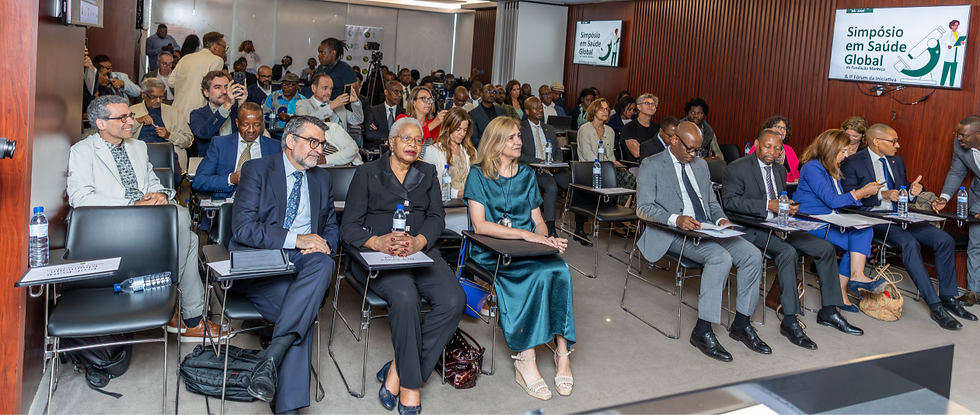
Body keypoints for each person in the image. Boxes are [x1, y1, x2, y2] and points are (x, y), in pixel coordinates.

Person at [68, 95, 230, 342]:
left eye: (130, 115)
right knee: (186, 234)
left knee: (180, 219)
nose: (130, 121)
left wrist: (160, 194)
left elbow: (153, 182)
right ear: (100, 123)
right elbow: (80, 198)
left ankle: (182, 313)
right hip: (110, 223)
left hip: (147, 219)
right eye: (122, 117)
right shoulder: (82, 151)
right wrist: (132, 203)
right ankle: (189, 316)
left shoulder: (137, 146)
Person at [340, 117, 466, 415]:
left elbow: (437, 217)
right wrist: (378, 242)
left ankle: (398, 368)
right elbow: (348, 228)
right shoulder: (367, 173)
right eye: (406, 139)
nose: (412, 145)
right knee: (406, 297)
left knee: (454, 300)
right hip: (377, 257)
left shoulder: (428, 172)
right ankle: (410, 385)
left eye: (418, 141)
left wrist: (421, 241)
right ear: (392, 142)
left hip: (420, 252)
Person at [230, 115, 338, 415]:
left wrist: (323, 245)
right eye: (313, 142)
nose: (319, 150)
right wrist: (298, 239)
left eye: (322, 144)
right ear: (291, 141)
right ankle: (288, 409)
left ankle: (270, 358)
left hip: (303, 264)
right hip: (260, 261)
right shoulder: (257, 170)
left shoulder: (322, 179)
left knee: (325, 263)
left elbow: (330, 225)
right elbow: (243, 229)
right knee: (298, 315)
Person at [464, 116, 575, 400]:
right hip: (491, 250)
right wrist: (527, 236)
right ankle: (526, 359)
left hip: (527, 247)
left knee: (560, 269)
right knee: (535, 276)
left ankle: (562, 353)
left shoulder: (526, 174)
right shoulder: (478, 174)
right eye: (511, 137)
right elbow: (479, 225)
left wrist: (545, 237)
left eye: (518, 136)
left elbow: (537, 221)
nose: (518, 141)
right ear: (496, 142)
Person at [635, 121, 765, 362]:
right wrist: (676, 219)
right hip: (671, 230)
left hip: (705, 226)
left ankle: (741, 323)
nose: (694, 155)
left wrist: (722, 220)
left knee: (752, 255)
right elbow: (643, 208)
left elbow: (711, 203)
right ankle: (702, 331)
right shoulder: (651, 164)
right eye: (690, 149)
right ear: (674, 140)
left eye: (698, 150)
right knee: (720, 258)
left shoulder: (700, 166)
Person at [722, 129, 863, 349]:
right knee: (787, 252)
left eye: (778, 148)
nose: (773, 152)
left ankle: (829, 310)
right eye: (768, 146)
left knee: (825, 248)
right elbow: (729, 203)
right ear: (756, 144)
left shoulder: (779, 169)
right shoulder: (738, 167)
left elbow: (780, 199)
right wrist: (767, 206)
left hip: (780, 224)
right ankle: (789, 320)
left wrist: (789, 208)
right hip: (751, 227)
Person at [840, 123, 972, 329]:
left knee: (944, 239)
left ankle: (948, 297)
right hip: (877, 218)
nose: (898, 145)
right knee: (909, 243)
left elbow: (901, 192)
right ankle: (935, 306)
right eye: (893, 141)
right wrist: (880, 195)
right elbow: (848, 199)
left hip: (902, 215)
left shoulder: (896, 161)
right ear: (876, 142)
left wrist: (911, 191)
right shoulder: (852, 162)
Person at [793, 129, 886, 310]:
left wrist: (861, 198)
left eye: (847, 151)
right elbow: (831, 200)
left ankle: (854, 278)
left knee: (865, 228)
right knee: (856, 247)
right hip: (812, 220)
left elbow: (838, 200)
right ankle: (846, 287)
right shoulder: (812, 167)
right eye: (843, 151)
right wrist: (861, 192)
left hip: (831, 218)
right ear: (829, 149)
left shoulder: (831, 168)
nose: (846, 155)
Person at [192, 102, 281, 199]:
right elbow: (199, 181)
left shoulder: (275, 147)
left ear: (262, 123)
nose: (251, 130)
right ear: (237, 123)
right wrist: (231, 179)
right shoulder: (220, 144)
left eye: (256, 125)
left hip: (262, 205)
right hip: (229, 205)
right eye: (246, 125)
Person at [935, 115, 980, 307]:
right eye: (957, 134)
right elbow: (956, 172)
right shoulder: (959, 144)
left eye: (963, 135)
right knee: (976, 243)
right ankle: (974, 291)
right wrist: (944, 198)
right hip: (978, 197)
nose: (959, 139)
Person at [519, 97, 570, 237]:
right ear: (527, 111)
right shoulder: (520, 128)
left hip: (553, 167)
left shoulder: (548, 128)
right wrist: (539, 161)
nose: (540, 110)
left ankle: (579, 227)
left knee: (576, 182)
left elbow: (558, 150)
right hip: (535, 169)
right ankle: (551, 228)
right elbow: (519, 155)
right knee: (551, 187)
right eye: (535, 108)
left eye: (541, 107)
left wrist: (557, 162)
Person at [421, 108, 474, 234]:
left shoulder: (470, 151)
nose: (462, 134)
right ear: (447, 128)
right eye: (458, 129)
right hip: (447, 209)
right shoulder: (433, 151)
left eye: (465, 130)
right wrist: (458, 194)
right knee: (473, 226)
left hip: (469, 207)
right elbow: (432, 186)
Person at [130, 78, 193, 175]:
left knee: (172, 175)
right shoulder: (131, 111)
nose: (158, 101)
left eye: (161, 97)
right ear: (143, 95)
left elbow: (188, 141)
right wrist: (137, 121)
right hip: (139, 155)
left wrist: (169, 135)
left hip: (166, 156)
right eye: (154, 97)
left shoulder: (175, 113)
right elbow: (119, 136)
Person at [169, 31, 226, 122]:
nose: (224, 51)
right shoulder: (217, 60)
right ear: (215, 46)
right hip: (197, 114)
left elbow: (170, 83)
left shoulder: (185, 58)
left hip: (176, 111)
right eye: (224, 47)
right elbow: (213, 88)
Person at [190, 70, 248, 157]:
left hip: (237, 162)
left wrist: (243, 106)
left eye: (226, 87)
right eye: (217, 87)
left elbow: (255, 132)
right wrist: (227, 105)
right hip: (210, 165)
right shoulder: (197, 114)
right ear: (206, 92)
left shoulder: (238, 111)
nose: (224, 91)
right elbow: (204, 133)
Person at [296, 73, 363, 134]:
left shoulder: (338, 106)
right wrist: (331, 106)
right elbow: (305, 123)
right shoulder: (302, 104)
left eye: (330, 89)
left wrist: (355, 103)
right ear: (313, 88)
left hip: (339, 144)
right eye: (325, 88)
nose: (329, 92)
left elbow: (357, 120)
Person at [749, 116, 800, 182]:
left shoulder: (789, 149)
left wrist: (796, 181)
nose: (782, 130)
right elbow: (750, 167)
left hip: (787, 186)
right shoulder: (759, 146)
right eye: (778, 127)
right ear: (769, 129)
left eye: (784, 128)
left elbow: (796, 172)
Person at [364, 80, 406, 149]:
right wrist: (396, 135)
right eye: (396, 91)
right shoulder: (373, 111)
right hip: (378, 152)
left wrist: (379, 133)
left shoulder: (404, 112)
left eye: (401, 92)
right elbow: (369, 134)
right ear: (386, 92)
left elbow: (405, 135)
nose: (400, 95)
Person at [622, 94, 659, 162]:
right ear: (639, 107)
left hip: (655, 165)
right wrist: (653, 149)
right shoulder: (629, 127)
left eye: (653, 104)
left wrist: (641, 147)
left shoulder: (657, 128)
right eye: (647, 103)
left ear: (655, 109)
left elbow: (662, 152)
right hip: (636, 165)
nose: (650, 106)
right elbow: (636, 153)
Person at [468, 84, 507, 149]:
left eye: (494, 92)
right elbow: (474, 139)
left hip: (501, 149)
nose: (492, 94)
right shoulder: (473, 114)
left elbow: (506, 132)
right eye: (489, 92)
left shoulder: (502, 112)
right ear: (481, 94)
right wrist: (492, 146)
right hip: (483, 151)